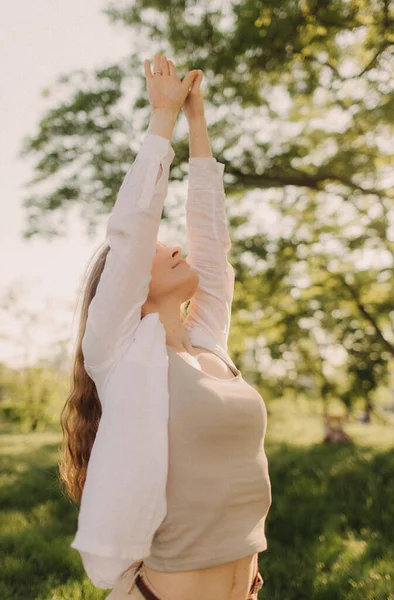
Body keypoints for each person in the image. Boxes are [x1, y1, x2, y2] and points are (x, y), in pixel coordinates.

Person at [59, 54, 272, 600]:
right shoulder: (119, 353)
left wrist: (198, 124)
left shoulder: (209, 347)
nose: (174, 246)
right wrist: (163, 119)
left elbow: (211, 240)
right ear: (129, 285)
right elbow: (133, 228)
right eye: (159, 249)